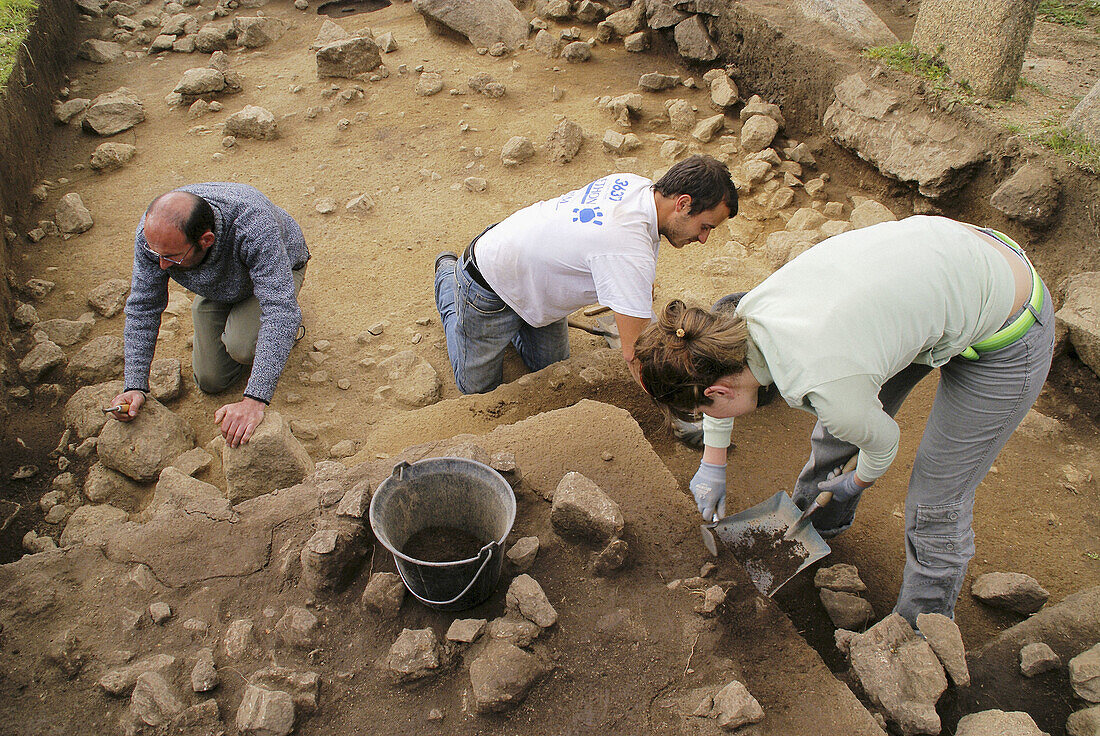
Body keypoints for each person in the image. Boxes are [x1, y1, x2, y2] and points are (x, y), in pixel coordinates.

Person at [632, 215, 1054, 623]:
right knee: (839, 433)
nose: (708, 418)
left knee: (936, 501)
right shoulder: (743, 320)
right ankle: (815, 525)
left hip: (1009, 320)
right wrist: (714, 458)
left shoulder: (830, 381)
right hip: (930, 275)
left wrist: (858, 479)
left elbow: (884, 442)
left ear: (718, 393)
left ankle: (920, 631)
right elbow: (711, 375)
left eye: (705, 413)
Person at [433, 154, 738, 394]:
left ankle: (509, 326)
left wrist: (636, 287)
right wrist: (673, 405)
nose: (703, 239)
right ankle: (450, 280)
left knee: (550, 368)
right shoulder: (626, 248)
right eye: (705, 226)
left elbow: (621, 257)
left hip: (534, 280)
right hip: (490, 282)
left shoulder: (639, 187)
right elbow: (636, 356)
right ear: (683, 204)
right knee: (478, 388)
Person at [109, 183, 309, 448]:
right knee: (211, 380)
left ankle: (288, 330)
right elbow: (144, 305)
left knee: (242, 346)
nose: (162, 266)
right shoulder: (155, 237)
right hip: (219, 286)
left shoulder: (254, 227)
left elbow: (279, 310)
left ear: (206, 240)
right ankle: (235, 310)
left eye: (172, 258)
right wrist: (134, 385)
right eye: (157, 255)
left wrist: (254, 401)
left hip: (278, 272)